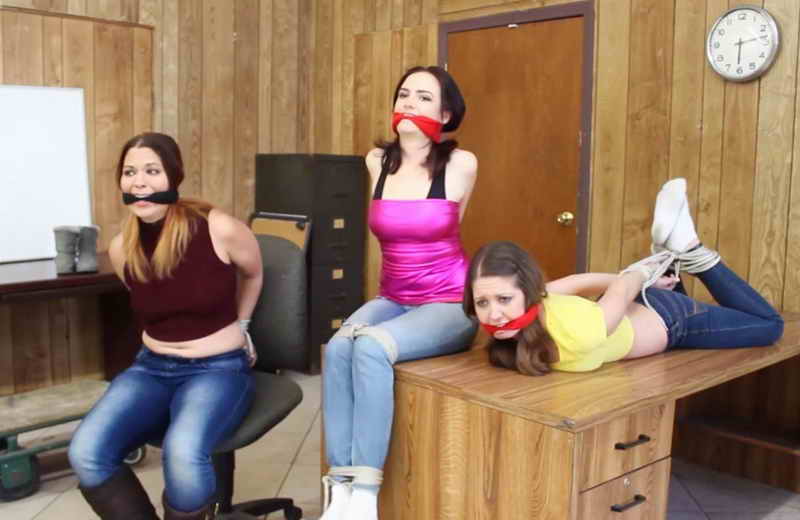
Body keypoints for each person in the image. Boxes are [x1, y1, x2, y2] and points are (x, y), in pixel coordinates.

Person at [68, 132, 262, 519]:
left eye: (152, 171)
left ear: (173, 176)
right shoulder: (122, 248)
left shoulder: (218, 228)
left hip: (218, 367)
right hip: (152, 367)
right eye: (129, 173)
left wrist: (243, 324)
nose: (139, 182)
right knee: (86, 452)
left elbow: (253, 274)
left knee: (182, 453)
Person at [320, 65, 478, 520]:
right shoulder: (377, 162)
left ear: (445, 114)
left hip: (448, 301)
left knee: (370, 347)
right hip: (393, 298)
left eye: (424, 97)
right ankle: (340, 488)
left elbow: (454, 225)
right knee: (338, 348)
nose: (409, 102)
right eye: (404, 94)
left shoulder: (461, 164)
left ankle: (365, 497)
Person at [464, 178, 784, 375]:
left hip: (671, 321)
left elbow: (624, 286)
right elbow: (578, 282)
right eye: (482, 302)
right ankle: (670, 250)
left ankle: (691, 251)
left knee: (770, 326)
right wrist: (647, 279)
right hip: (639, 310)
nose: (494, 314)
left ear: (527, 291)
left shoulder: (577, 332)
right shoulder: (536, 299)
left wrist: (646, 274)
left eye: (503, 299)